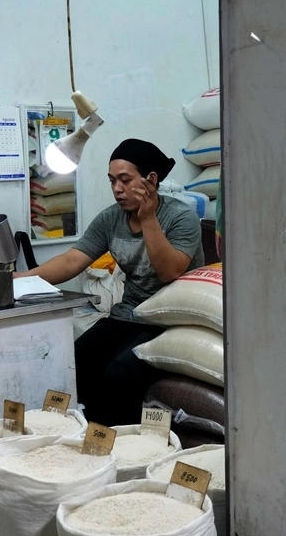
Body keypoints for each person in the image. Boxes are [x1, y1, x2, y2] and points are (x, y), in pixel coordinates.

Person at [17, 138, 204, 425]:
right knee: (76, 361)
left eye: (125, 180)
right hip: (128, 315)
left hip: (169, 320)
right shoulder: (111, 219)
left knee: (120, 373)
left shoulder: (181, 218)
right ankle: (77, 432)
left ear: (150, 180)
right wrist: (19, 280)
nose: (117, 189)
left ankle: (112, 440)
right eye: (112, 181)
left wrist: (149, 218)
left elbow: (170, 272)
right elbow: (72, 260)